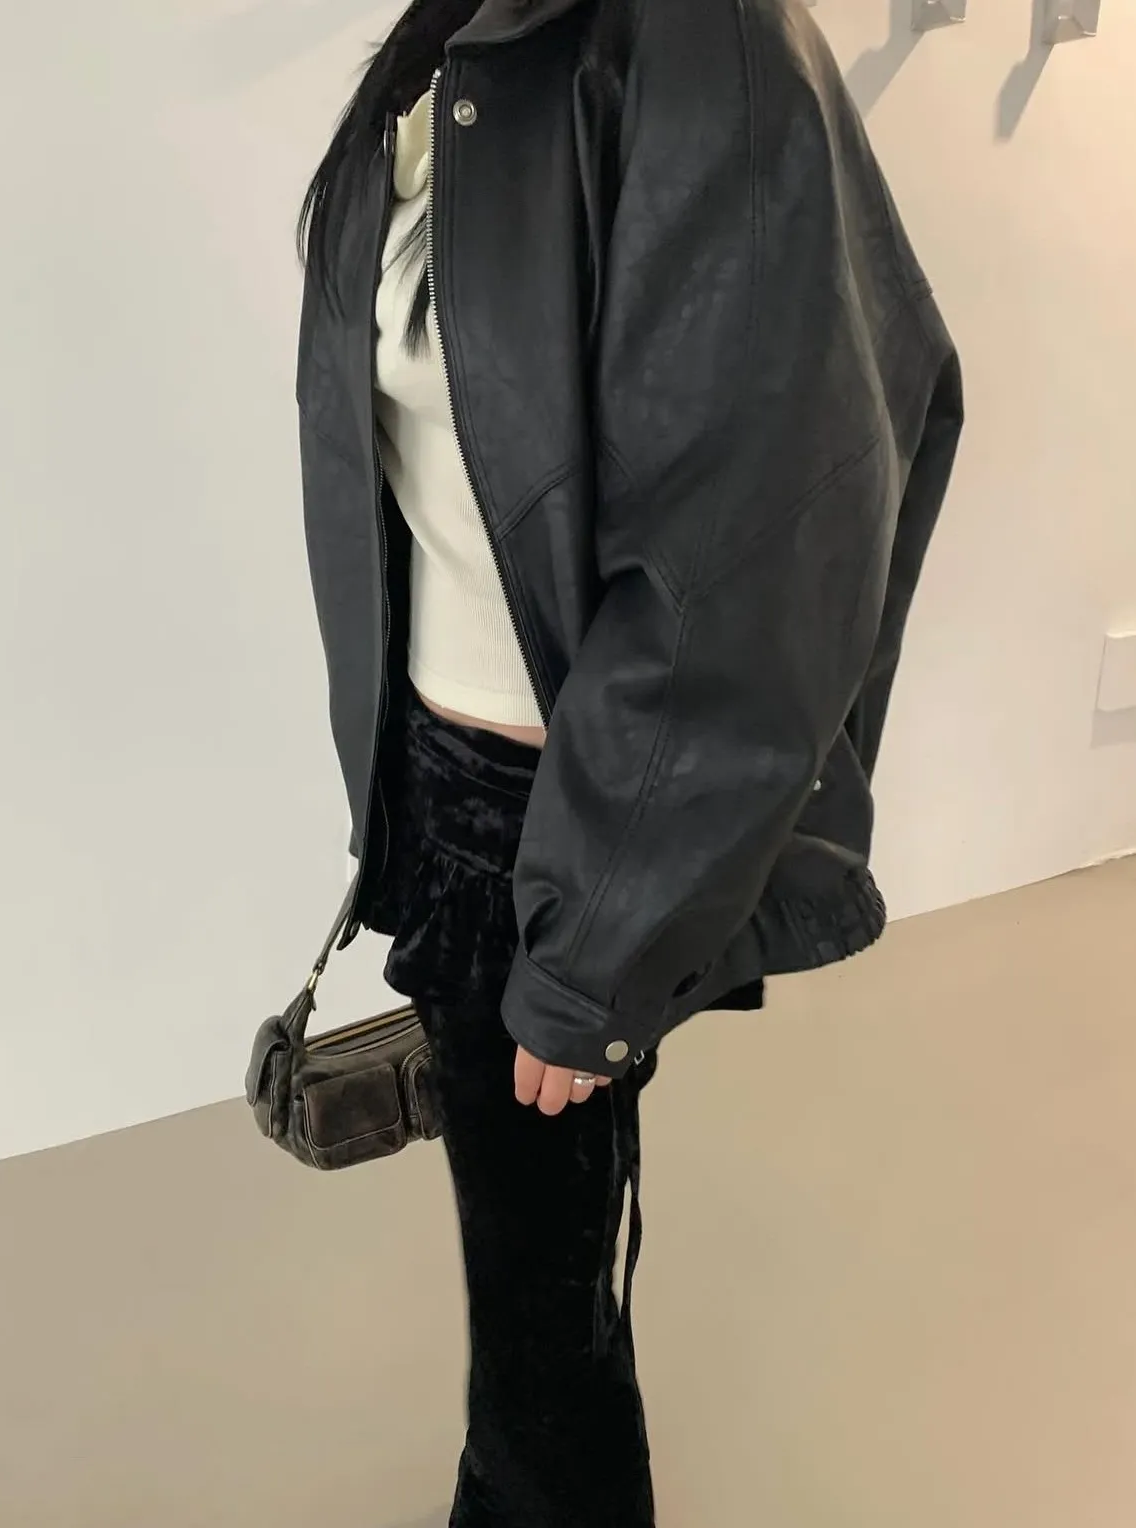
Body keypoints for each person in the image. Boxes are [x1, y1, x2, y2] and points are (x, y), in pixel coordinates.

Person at [292, 0, 962, 1520]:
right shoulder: (459, 37)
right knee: (531, 1282)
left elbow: (750, 552)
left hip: (574, 816)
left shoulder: (704, 39)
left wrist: (600, 940)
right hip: (445, 784)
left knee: (543, 1329)